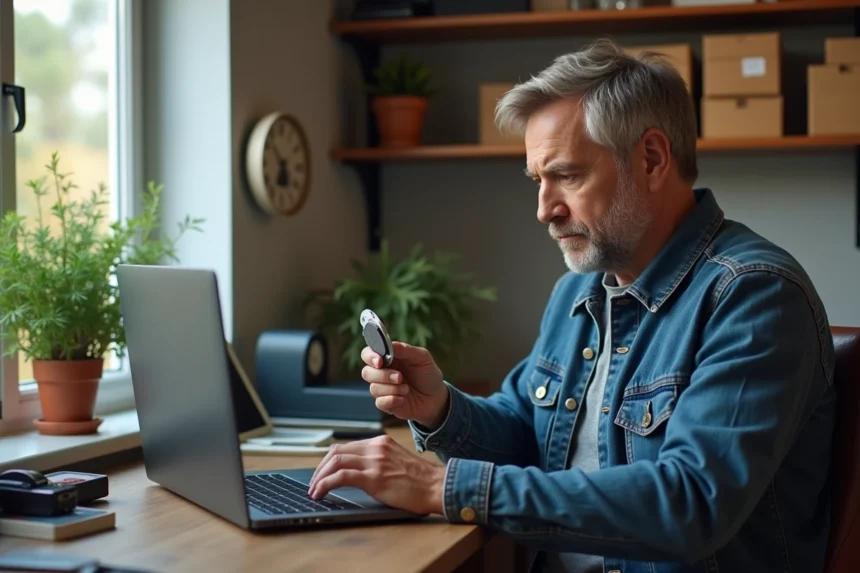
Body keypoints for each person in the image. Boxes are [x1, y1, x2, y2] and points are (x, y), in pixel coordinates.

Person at [308, 38, 836, 573]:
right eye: (538, 181)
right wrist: (440, 408)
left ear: (651, 159)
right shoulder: (578, 292)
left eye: (567, 175)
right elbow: (524, 431)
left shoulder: (754, 296)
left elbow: (690, 503)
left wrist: (440, 484)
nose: (544, 210)